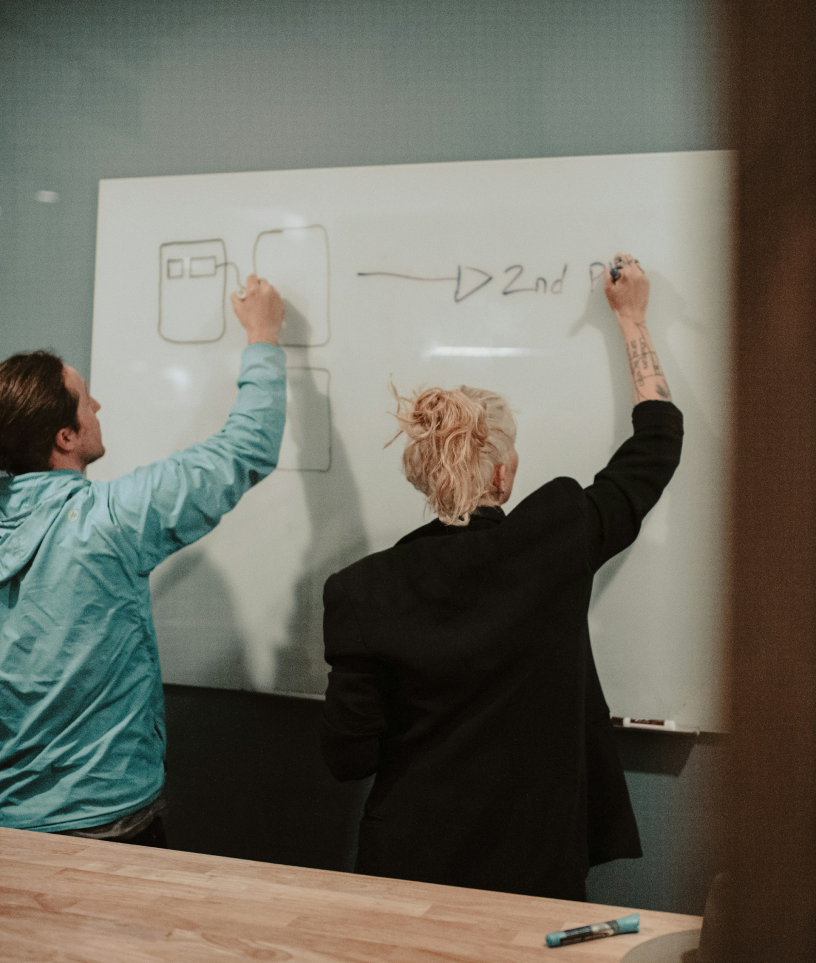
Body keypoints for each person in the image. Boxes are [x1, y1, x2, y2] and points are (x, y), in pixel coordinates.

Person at [320, 254, 683, 900]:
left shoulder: (360, 590)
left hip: (405, 871)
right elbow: (656, 444)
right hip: (533, 871)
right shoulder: (557, 535)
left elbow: (350, 757)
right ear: (501, 473)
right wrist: (632, 319)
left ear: (422, 475)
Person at [0, 275, 286, 846]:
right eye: (85, 399)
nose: (97, 405)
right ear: (65, 437)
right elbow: (245, 447)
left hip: (12, 828)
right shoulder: (110, 520)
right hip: (106, 825)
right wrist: (263, 336)